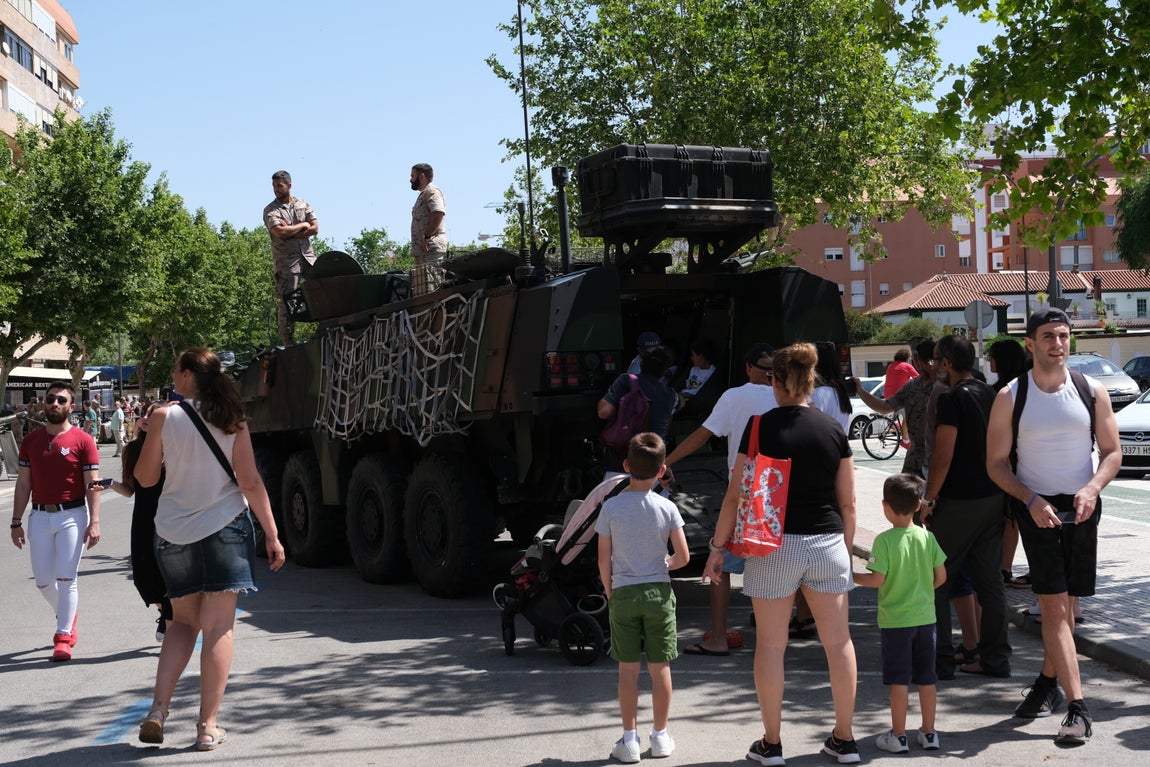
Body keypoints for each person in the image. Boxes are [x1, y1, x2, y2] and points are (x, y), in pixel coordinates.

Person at [703, 343, 860, 765]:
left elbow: (735, 496)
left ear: (775, 381)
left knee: (771, 647)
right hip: (827, 542)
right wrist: (844, 552)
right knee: (838, 643)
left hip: (773, 545)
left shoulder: (760, 427)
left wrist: (717, 548)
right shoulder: (833, 429)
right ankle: (845, 739)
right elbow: (848, 504)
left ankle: (771, 744)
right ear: (810, 381)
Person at [134, 348, 286, 751]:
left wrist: (148, 434)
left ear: (187, 376)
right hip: (225, 527)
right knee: (218, 628)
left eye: (175, 370)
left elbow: (145, 479)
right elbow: (250, 482)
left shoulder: (164, 417)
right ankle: (207, 726)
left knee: (181, 624)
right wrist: (272, 534)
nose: (173, 376)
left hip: (173, 532)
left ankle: (158, 709)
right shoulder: (232, 418)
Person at [986, 308, 1120, 744]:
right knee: (1054, 608)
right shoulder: (1011, 396)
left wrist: (1093, 489)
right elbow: (996, 464)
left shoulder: (1091, 390)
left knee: (1067, 608)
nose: (1057, 344)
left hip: (1082, 507)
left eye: (1063, 336)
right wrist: (1029, 499)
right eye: (1048, 336)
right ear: (1030, 343)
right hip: (1037, 509)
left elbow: (1112, 452)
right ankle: (1079, 709)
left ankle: (1047, 683)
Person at [664, 342, 777, 656]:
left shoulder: (734, 397)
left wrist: (667, 461)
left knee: (720, 563)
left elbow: (703, 435)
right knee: (774, 565)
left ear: (747, 368)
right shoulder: (789, 397)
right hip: (778, 494)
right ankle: (780, 633)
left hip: (743, 494)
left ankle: (717, 637)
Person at [594, 432, 690, 763]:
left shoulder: (611, 508)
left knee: (628, 669)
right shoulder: (667, 507)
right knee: (660, 666)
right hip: (658, 592)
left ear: (626, 466)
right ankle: (660, 736)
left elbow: (603, 559)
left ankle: (629, 739)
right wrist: (665, 563)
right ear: (662, 470)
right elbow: (683, 557)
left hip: (623, 591)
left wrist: (610, 590)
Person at [921, 334, 1011, 680]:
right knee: (990, 582)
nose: (933, 367)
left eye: (936, 361)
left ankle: (941, 660)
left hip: (960, 500)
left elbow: (943, 456)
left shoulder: (951, 398)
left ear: (946, 363)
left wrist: (928, 499)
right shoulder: (992, 394)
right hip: (994, 496)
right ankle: (995, 658)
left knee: (936, 579)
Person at [854, 473, 947, 753]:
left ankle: (898, 735)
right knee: (927, 678)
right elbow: (941, 576)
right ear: (918, 505)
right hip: (926, 620)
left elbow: (877, 579)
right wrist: (923, 590)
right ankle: (929, 732)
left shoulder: (884, 541)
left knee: (899, 680)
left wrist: (852, 577)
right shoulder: (927, 537)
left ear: (885, 506)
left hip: (896, 622)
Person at [9, 381, 101, 662]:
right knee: (43, 582)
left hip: (72, 516)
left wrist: (95, 521)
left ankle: (63, 637)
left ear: (71, 406)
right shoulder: (30, 441)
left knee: (66, 578)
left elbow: (92, 485)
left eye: (61, 400)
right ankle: (67, 614)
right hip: (39, 516)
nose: (55, 404)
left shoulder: (83, 441)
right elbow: (23, 485)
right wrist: (16, 522)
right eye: (51, 399)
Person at [96, 402, 172, 641]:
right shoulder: (132, 449)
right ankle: (165, 611)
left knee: (169, 572)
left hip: (172, 516)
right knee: (143, 576)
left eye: (153, 414)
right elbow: (130, 489)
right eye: (144, 413)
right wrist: (110, 484)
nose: (147, 418)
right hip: (144, 517)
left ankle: (171, 617)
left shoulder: (176, 446)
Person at [853, 338, 936, 477]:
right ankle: (905, 439)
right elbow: (884, 407)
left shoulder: (947, 386)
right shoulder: (912, 386)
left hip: (938, 461)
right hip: (914, 461)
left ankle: (905, 439)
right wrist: (861, 391)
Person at [988, 339, 1031, 588]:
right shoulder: (1027, 387)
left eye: (992, 356)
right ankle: (1007, 567)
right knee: (1014, 516)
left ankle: (1005, 567)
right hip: (1021, 458)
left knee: (1011, 516)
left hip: (1010, 460)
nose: (989, 361)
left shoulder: (1003, 392)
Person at [598, 345, 677, 477]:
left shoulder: (626, 381)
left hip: (620, 458)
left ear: (641, 363)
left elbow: (604, 412)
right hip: (652, 459)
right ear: (665, 371)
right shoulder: (670, 395)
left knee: (616, 489)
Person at [263, 170, 319, 346]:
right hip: (287, 263)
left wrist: (292, 230)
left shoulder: (302, 204)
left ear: (289, 185)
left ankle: (326, 329)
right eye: (274, 186)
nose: (276, 189)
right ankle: (289, 343)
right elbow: (280, 232)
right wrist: (303, 225)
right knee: (288, 302)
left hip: (308, 258)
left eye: (279, 186)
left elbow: (315, 228)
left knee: (323, 287)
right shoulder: (271, 210)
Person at [409, 162, 447, 296]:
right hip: (423, 252)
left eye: (412, 176)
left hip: (431, 249)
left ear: (422, 176)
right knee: (422, 292)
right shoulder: (423, 195)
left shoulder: (432, 192)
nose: (410, 180)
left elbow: (438, 213)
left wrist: (427, 236)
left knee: (432, 292)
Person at [672, 337, 720, 416]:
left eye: (693, 355)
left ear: (701, 356)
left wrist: (684, 395)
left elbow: (702, 393)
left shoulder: (712, 372)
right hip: (682, 397)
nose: (691, 358)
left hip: (692, 401)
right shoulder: (693, 369)